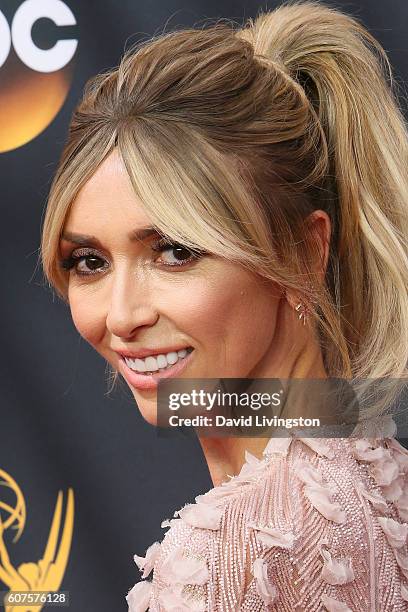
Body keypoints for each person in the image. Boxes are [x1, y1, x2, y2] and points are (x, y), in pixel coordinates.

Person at [40, 0, 408, 609]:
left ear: (303, 250)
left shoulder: (237, 555)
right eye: (91, 263)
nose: (122, 314)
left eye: (175, 252)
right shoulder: (381, 482)